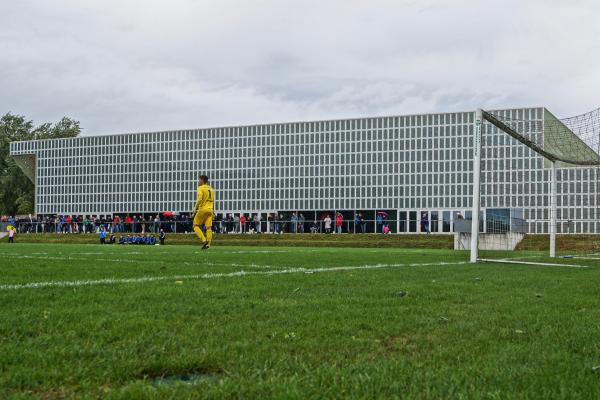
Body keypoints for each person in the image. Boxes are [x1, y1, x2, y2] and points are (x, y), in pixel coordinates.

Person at [192, 175, 215, 250]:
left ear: (202, 180)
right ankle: (208, 244)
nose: (198, 181)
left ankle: (204, 240)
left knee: (195, 225)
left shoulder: (200, 188)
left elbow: (200, 199)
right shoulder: (211, 189)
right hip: (210, 210)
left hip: (203, 209)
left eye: (199, 180)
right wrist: (213, 212)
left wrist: (195, 208)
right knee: (208, 228)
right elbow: (213, 201)